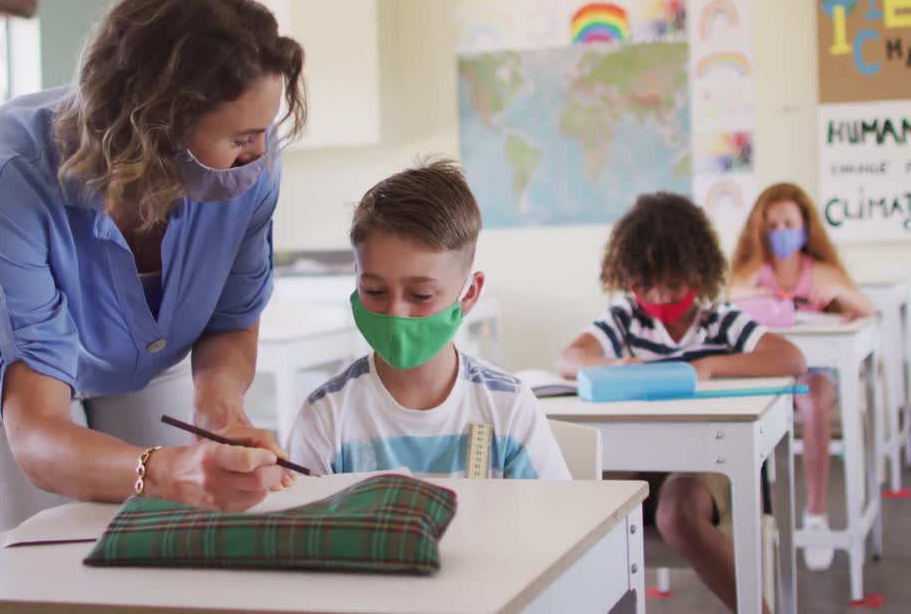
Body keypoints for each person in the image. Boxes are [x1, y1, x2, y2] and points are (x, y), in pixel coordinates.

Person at [0, 0, 306, 534]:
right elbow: (40, 435)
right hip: (29, 377)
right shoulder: (7, 171)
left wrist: (221, 410)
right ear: (155, 123)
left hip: (149, 358)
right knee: (45, 564)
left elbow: (231, 320)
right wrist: (163, 472)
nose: (260, 154)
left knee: (162, 549)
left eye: (263, 132)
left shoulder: (251, 171)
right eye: (240, 138)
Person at [557, 192, 805, 613]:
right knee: (580, 503)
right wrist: (618, 363)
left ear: (698, 276)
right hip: (640, 461)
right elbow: (569, 358)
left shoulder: (720, 321)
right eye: (646, 286)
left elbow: (791, 357)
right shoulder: (625, 319)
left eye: (673, 286)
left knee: (677, 513)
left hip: (708, 462)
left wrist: (710, 366)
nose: (660, 298)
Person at [287, 159, 569, 480]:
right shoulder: (327, 416)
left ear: (469, 294)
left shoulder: (509, 409)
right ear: (356, 278)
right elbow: (304, 524)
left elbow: (557, 523)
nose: (395, 314)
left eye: (420, 295)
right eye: (375, 290)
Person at [729, 182, 875, 570]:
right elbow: (727, 303)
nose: (781, 233)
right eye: (773, 225)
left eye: (789, 223)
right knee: (741, 411)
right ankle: (756, 518)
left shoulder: (821, 271)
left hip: (817, 369)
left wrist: (838, 299)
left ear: (806, 226)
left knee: (812, 404)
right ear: (760, 230)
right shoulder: (750, 273)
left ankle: (815, 512)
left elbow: (867, 308)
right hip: (769, 370)